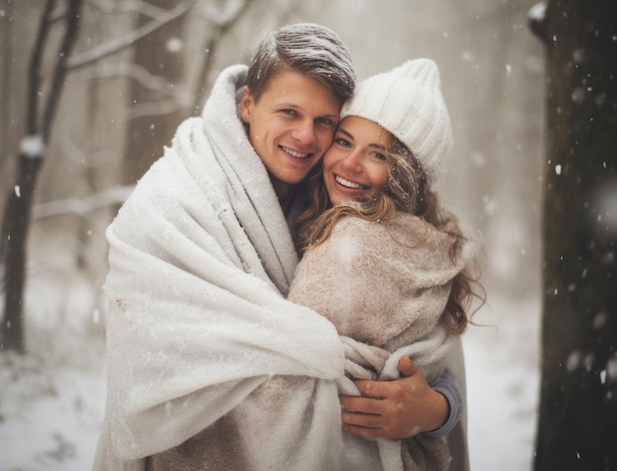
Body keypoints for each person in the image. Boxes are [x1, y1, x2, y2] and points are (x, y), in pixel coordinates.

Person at [93, 23, 466, 471]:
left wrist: (439, 408)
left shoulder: (339, 193)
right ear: (247, 103)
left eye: (325, 122)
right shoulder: (175, 202)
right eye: (289, 112)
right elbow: (152, 355)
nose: (307, 137)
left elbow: (421, 338)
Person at [288, 58, 482, 470]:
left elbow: (437, 357)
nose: (350, 163)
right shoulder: (426, 243)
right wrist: (442, 408)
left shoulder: (361, 244)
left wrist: (438, 408)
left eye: (377, 153)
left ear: (408, 176)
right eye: (343, 141)